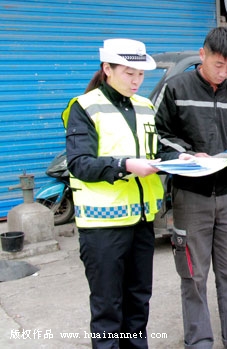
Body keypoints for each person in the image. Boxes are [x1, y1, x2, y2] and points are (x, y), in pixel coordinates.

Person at [154, 26, 227, 349]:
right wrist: (186, 154)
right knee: (193, 275)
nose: (224, 72)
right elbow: (159, 135)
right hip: (191, 196)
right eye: (219, 64)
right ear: (202, 55)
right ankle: (199, 341)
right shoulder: (177, 89)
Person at [62, 38, 164, 348]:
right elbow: (80, 163)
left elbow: (156, 151)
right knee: (108, 308)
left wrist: (180, 158)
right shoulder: (84, 107)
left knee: (138, 302)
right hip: (102, 228)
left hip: (141, 221)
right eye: (129, 73)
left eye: (141, 74)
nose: (136, 81)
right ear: (107, 69)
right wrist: (125, 165)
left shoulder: (145, 106)